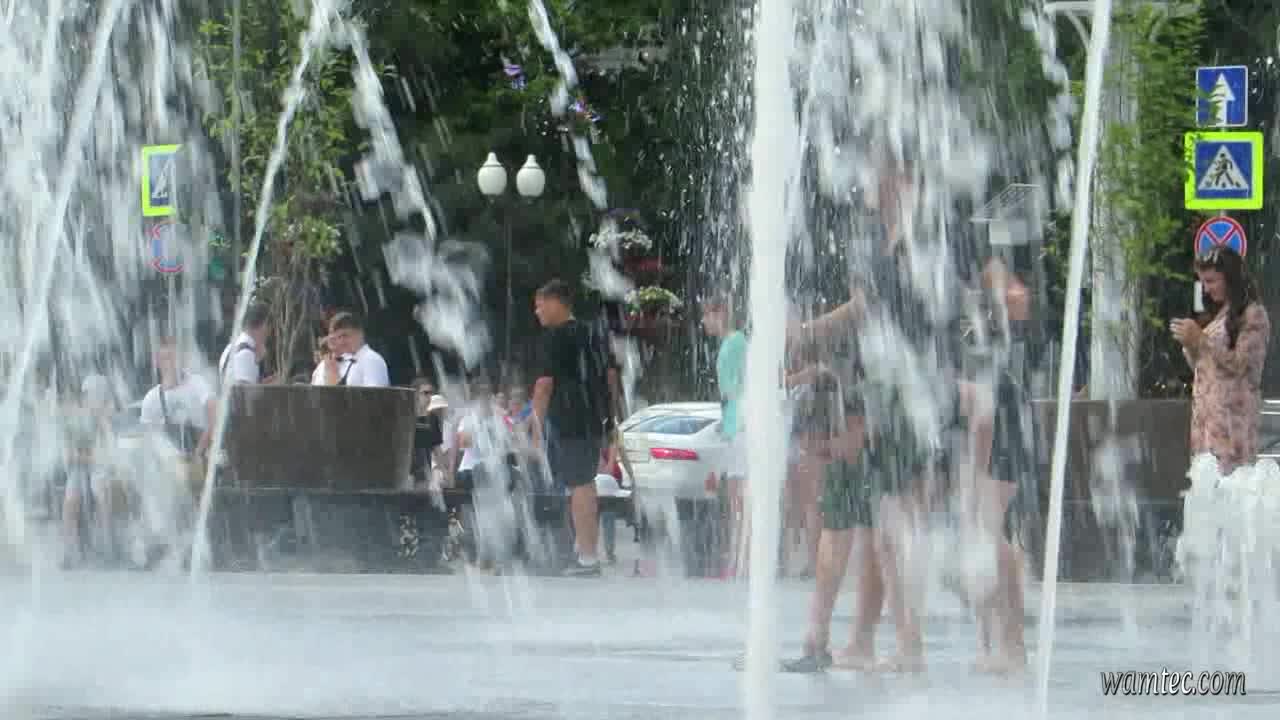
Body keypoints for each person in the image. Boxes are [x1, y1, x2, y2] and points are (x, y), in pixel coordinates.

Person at [530, 279, 620, 577]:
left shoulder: (555, 337)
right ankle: (583, 551)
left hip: (568, 418)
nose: (537, 312)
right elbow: (611, 377)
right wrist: (610, 416)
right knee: (584, 483)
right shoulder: (594, 333)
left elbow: (544, 385)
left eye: (540, 305)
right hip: (592, 417)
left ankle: (588, 558)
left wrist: (535, 427)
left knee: (580, 485)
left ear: (556, 302)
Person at [1171, 245, 1271, 476]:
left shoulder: (1253, 314)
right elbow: (1204, 369)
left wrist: (1202, 339)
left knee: (1230, 489)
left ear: (1230, 278)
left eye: (1211, 281)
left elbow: (1241, 364)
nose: (1206, 288)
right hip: (1207, 425)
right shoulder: (1220, 315)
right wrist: (1190, 345)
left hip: (1232, 428)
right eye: (1203, 282)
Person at [700, 294, 748, 576]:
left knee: (739, 498)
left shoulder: (736, 342)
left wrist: (735, 421)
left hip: (741, 428)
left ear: (720, 313)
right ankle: (738, 557)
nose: (703, 321)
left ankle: (742, 559)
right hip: (735, 427)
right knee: (734, 497)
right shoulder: (732, 343)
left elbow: (740, 387)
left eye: (706, 314)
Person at [311, 312, 390, 387]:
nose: (341, 342)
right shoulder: (340, 362)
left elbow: (375, 395)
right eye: (338, 337)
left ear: (360, 334)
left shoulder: (371, 359)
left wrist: (334, 380)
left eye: (345, 336)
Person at [219, 303, 271, 385]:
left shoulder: (230, 347)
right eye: (269, 327)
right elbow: (245, 391)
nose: (269, 333)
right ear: (264, 325)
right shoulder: (246, 354)